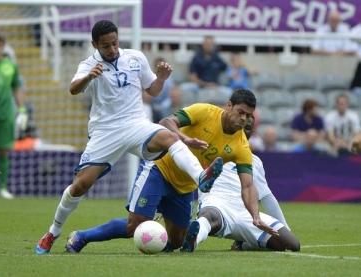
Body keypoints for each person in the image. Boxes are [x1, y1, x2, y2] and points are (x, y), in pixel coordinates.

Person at [35, 20, 224, 254]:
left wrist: (161, 79)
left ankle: (201, 177)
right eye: (105, 46)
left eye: (115, 43)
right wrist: (89, 77)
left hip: (136, 124)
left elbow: (152, 91)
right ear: (95, 44)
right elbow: (73, 89)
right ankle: (53, 232)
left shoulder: (135, 58)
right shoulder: (89, 64)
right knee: (80, 186)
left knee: (169, 138)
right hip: (106, 132)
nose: (112, 49)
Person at [63, 89, 278, 254]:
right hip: (159, 169)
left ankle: (154, 241)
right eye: (241, 112)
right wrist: (183, 138)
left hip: (184, 187)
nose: (244, 119)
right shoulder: (205, 112)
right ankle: (82, 236)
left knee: (176, 242)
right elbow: (166, 122)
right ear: (229, 106)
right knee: (134, 226)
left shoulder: (241, 146)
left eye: (248, 116)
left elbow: (248, 185)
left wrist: (256, 216)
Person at [181, 116, 299, 253]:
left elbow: (266, 196)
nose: (243, 129)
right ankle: (193, 240)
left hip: (246, 213)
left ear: (252, 132)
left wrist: (285, 228)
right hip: (217, 204)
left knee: (292, 244)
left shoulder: (255, 161)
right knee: (208, 217)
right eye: (241, 125)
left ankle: (243, 244)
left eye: (248, 127)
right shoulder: (210, 147)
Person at [0, 32, 28, 200]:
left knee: (3, 151)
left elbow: (16, 89)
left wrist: (21, 110)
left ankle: (3, 187)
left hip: (6, 114)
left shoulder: (11, 66)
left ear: (2, 46)